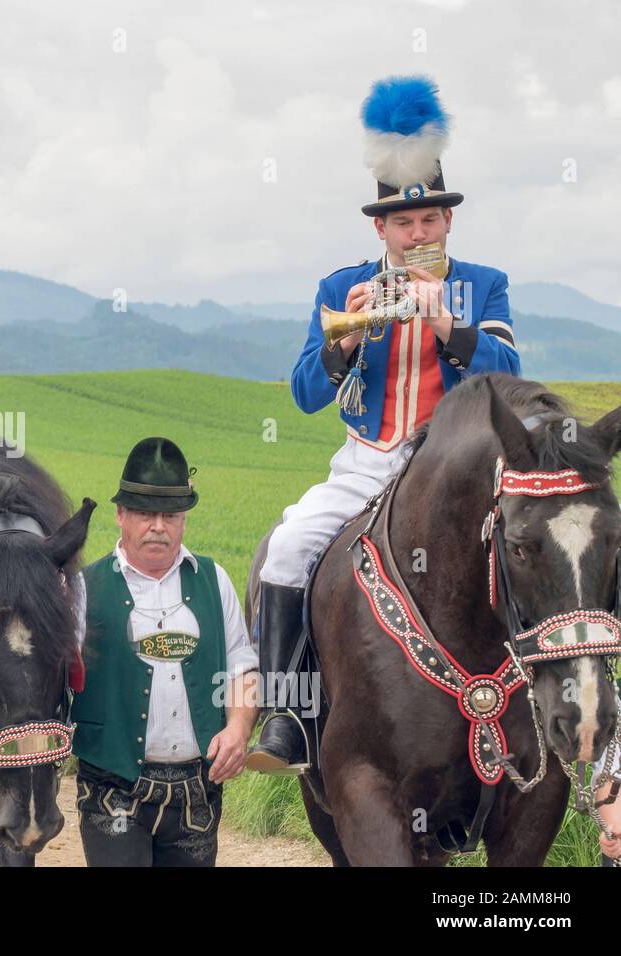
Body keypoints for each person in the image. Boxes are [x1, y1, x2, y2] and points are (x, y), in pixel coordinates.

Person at [247, 76, 521, 774]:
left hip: (451, 466)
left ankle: (535, 711)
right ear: (381, 228)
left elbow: (508, 368)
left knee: (529, 550)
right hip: (366, 461)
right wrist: (344, 340)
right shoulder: (341, 288)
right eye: (404, 224)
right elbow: (306, 391)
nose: (418, 233)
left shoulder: (482, 284)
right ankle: (287, 718)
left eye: (429, 220)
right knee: (286, 550)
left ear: (448, 222)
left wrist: (444, 323)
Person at [72, 438, 258, 867]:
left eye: (170, 515)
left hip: (197, 793)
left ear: (183, 520)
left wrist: (237, 730)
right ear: (120, 515)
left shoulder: (215, 580)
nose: (158, 526)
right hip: (111, 791)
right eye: (144, 513)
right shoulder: (84, 587)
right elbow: (53, 675)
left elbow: (242, 668)